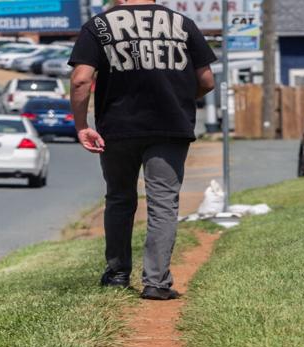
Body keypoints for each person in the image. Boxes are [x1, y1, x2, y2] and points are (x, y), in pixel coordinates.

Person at [68, 1, 217, 299]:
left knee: (120, 199)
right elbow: (207, 81)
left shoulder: (99, 25)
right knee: (163, 203)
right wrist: (179, 97)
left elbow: (81, 79)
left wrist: (82, 124)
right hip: (169, 126)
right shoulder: (183, 24)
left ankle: (117, 274)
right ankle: (156, 283)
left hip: (118, 129)